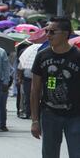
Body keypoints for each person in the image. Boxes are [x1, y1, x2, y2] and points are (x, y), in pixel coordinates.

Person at [30, 16, 80, 158]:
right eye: (47, 31)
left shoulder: (77, 56)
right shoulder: (42, 56)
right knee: (50, 155)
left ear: (65, 34)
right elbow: (35, 90)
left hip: (76, 116)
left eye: (52, 32)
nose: (48, 35)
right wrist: (34, 120)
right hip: (49, 115)